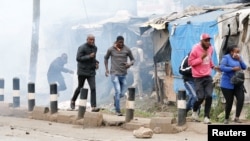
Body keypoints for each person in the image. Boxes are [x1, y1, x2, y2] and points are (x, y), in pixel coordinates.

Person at [188, 33, 218, 124]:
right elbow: (190, 63)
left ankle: (206, 117)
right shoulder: (195, 49)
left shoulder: (211, 48)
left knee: (209, 96)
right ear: (201, 41)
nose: (208, 42)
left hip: (208, 76)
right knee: (200, 97)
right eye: (206, 40)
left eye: (209, 40)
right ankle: (194, 111)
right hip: (198, 77)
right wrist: (201, 58)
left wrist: (213, 67)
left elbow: (209, 60)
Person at [104, 36, 135, 116]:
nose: (121, 44)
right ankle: (117, 110)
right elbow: (106, 58)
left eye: (122, 42)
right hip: (114, 73)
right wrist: (107, 69)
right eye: (120, 42)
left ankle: (116, 98)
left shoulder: (127, 49)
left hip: (123, 74)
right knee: (117, 91)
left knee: (122, 92)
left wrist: (129, 64)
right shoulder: (111, 49)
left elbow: (133, 59)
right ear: (116, 42)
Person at [70, 34, 100, 112]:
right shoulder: (82, 47)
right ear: (87, 40)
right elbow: (78, 58)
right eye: (90, 40)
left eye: (93, 40)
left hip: (91, 71)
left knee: (93, 88)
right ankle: (73, 100)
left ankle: (93, 106)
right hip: (82, 71)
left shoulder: (95, 48)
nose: (92, 41)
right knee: (80, 87)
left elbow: (93, 58)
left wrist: (96, 63)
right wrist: (89, 56)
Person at [219, 45, 247, 124]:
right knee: (229, 101)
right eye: (236, 52)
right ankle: (226, 118)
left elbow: (244, 67)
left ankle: (237, 118)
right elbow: (222, 67)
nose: (238, 53)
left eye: (239, 52)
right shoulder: (226, 58)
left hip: (237, 83)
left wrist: (240, 60)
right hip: (227, 83)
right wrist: (232, 69)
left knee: (241, 99)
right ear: (231, 52)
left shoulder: (239, 58)